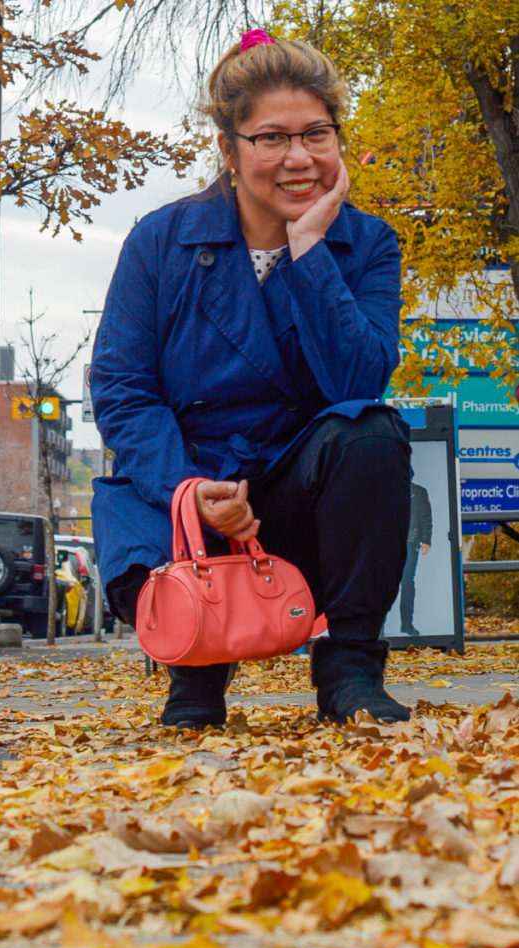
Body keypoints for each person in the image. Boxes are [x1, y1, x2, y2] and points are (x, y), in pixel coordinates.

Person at [90, 29, 412, 727]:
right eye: (270, 138)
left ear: (337, 139)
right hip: (190, 479)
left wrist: (308, 251)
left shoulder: (367, 244)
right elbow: (123, 389)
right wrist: (190, 488)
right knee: (146, 487)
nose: (297, 158)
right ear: (229, 148)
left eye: (315, 134)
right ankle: (195, 675)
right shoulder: (159, 241)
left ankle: (350, 669)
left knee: (371, 434)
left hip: (299, 489)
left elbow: (358, 380)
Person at [399, 482, 432, 636]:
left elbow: (426, 516)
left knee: (407, 582)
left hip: (410, 543)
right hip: (389, 543)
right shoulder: (385, 487)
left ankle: (406, 623)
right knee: (384, 584)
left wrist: (426, 540)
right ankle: (381, 626)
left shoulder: (419, 492)